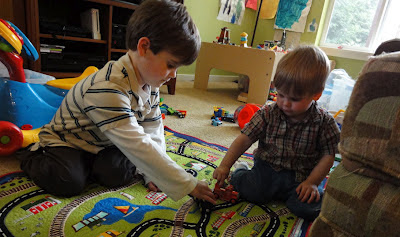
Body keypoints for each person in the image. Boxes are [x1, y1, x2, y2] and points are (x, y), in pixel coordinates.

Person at [17, 0, 216, 204]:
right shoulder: (108, 87)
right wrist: (187, 184)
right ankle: (31, 155)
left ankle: (89, 166)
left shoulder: (151, 84)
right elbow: (137, 144)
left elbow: (153, 129)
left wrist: (154, 174)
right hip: (68, 142)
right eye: (171, 64)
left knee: (117, 174)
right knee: (68, 181)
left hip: (104, 141)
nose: (174, 75)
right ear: (144, 47)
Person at [213, 45, 340, 220]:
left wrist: (312, 183)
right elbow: (244, 139)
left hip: (302, 178)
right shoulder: (267, 113)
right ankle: (241, 172)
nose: (285, 103)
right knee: (252, 192)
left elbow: (328, 155)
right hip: (267, 170)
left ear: (316, 95)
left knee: (310, 209)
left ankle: (306, 192)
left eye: (294, 99)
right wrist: (225, 165)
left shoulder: (325, 122)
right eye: (280, 95)